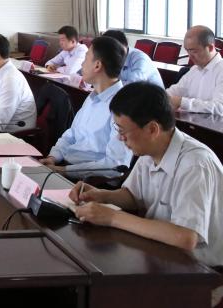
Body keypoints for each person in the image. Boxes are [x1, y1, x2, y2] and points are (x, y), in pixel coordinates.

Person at [70, 82, 223, 282]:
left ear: (152, 129)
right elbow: (134, 196)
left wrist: (112, 217)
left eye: (123, 131)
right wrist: (101, 195)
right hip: (161, 254)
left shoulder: (195, 164)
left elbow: (186, 237)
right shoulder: (150, 149)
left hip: (203, 272)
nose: (120, 138)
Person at [40, 36, 132, 177]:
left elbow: (114, 165)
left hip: (89, 181)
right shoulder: (92, 96)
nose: (82, 64)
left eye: (86, 58)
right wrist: (53, 157)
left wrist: (65, 171)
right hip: (65, 166)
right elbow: (72, 133)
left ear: (97, 65)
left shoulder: (123, 106)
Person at [167, 25, 223, 115]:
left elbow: (220, 108)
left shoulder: (220, 70)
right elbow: (174, 91)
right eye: (187, 51)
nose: (190, 56)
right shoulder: (194, 70)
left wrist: (182, 102)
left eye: (194, 51)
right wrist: (163, 97)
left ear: (210, 48)